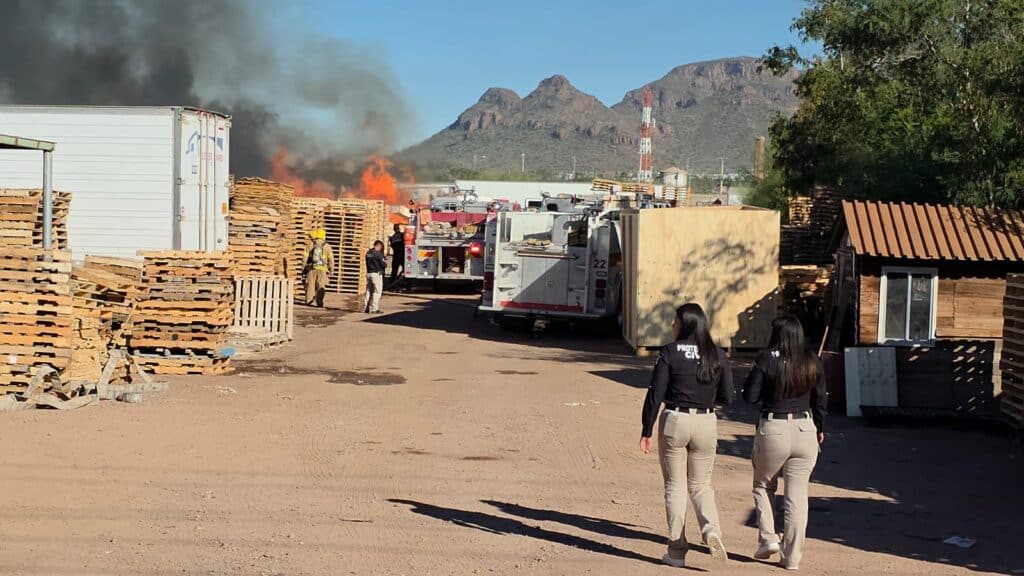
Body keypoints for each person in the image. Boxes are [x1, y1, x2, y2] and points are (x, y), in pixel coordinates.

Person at [640, 303, 734, 568]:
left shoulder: (670, 352)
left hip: (675, 421)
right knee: (701, 485)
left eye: (675, 321)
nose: (673, 326)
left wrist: (646, 430)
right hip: (706, 421)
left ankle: (677, 552)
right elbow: (727, 396)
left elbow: (655, 393)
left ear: (686, 324)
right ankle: (711, 530)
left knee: (675, 486)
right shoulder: (717, 354)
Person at [742, 315, 827, 571]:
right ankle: (791, 558)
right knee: (797, 495)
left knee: (763, 485)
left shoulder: (766, 358)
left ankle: (768, 539)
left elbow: (750, 396)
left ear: (776, 333)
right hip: (805, 428)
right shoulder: (812, 360)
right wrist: (820, 429)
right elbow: (820, 399)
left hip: (774, 427)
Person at [302, 229, 333, 308]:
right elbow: (331, 260)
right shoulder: (327, 246)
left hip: (311, 268)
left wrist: (303, 268)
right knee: (321, 286)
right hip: (322, 269)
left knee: (310, 285)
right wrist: (331, 270)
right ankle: (319, 303)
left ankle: (308, 301)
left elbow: (305, 258)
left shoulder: (311, 244)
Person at [364, 240, 386, 314]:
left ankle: (365, 307)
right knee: (377, 291)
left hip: (369, 273)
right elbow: (383, 265)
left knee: (368, 291)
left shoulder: (368, 253)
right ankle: (374, 308)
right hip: (376, 274)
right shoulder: (378, 254)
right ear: (379, 246)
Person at [388, 223, 405, 288]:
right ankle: (407, 285)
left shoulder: (392, 237)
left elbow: (392, 245)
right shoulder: (402, 235)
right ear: (399, 228)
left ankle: (392, 285)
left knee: (394, 271)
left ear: (394, 229)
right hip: (402, 255)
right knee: (406, 270)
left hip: (395, 256)